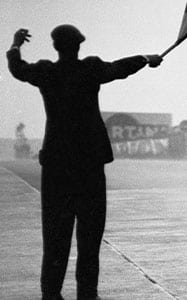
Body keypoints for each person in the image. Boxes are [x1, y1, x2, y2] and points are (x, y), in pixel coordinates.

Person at [7, 25, 162, 300]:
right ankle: (87, 293)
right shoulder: (90, 69)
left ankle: (51, 293)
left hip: (56, 167)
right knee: (90, 237)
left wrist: (16, 43)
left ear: (56, 47)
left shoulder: (46, 72)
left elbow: (18, 69)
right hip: (89, 165)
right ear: (79, 45)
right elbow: (118, 68)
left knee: (55, 237)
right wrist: (145, 58)